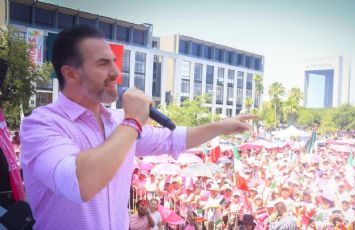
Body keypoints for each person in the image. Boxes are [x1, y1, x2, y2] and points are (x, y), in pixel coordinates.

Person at [19, 25, 256, 229]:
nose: (116, 73)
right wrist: (132, 121)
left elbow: (172, 139)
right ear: (70, 74)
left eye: (114, 62)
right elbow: (78, 183)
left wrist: (220, 127)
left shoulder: (117, 122)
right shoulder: (40, 125)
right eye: (103, 64)